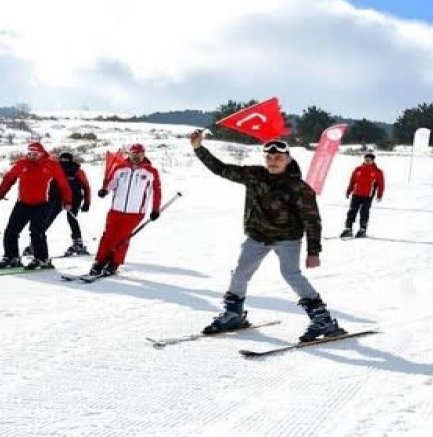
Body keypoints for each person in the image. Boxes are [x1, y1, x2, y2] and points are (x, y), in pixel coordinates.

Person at [189, 129, 347, 342]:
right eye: (269, 157)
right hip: (257, 237)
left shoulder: (299, 188)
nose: (273, 162)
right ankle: (233, 314)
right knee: (240, 274)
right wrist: (198, 148)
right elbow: (221, 169)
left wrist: (313, 252)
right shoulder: (254, 175)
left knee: (291, 275)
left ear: (288, 159)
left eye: (278, 158)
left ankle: (323, 320)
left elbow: (312, 221)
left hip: (287, 239)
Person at [0, 142, 72, 269]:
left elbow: (63, 184)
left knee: (36, 232)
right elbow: (9, 178)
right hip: (22, 203)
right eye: (30, 153)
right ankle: (11, 257)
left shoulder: (51, 164)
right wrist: (0, 193)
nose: (32, 156)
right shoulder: (22, 164)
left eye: (35, 154)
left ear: (41, 153)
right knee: (11, 231)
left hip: (42, 204)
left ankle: (42, 259)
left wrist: (67, 201)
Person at [88, 143, 161, 277]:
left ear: (144, 154)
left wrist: (155, 209)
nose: (136, 156)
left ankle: (114, 263)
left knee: (122, 238)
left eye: (139, 154)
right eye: (134, 154)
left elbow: (157, 191)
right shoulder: (120, 168)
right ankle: (100, 261)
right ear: (129, 154)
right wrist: (105, 190)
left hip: (135, 212)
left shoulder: (151, 172)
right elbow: (112, 183)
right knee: (107, 236)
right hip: (116, 209)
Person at [22, 152, 93, 257]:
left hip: (74, 198)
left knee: (72, 218)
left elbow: (86, 186)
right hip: (56, 198)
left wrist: (87, 202)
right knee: (47, 219)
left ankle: (78, 243)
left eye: (66, 160)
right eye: (62, 160)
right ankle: (35, 243)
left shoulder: (77, 171)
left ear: (71, 160)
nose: (64, 162)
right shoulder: (55, 169)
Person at [340, 152, 385, 238]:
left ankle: (362, 229)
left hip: (367, 195)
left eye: (369, 160)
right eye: (366, 160)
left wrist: (379, 195)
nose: (367, 161)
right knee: (352, 211)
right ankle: (348, 228)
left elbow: (381, 185)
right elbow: (352, 181)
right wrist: (349, 191)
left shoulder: (378, 172)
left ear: (372, 161)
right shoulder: (358, 169)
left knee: (364, 212)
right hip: (356, 194)